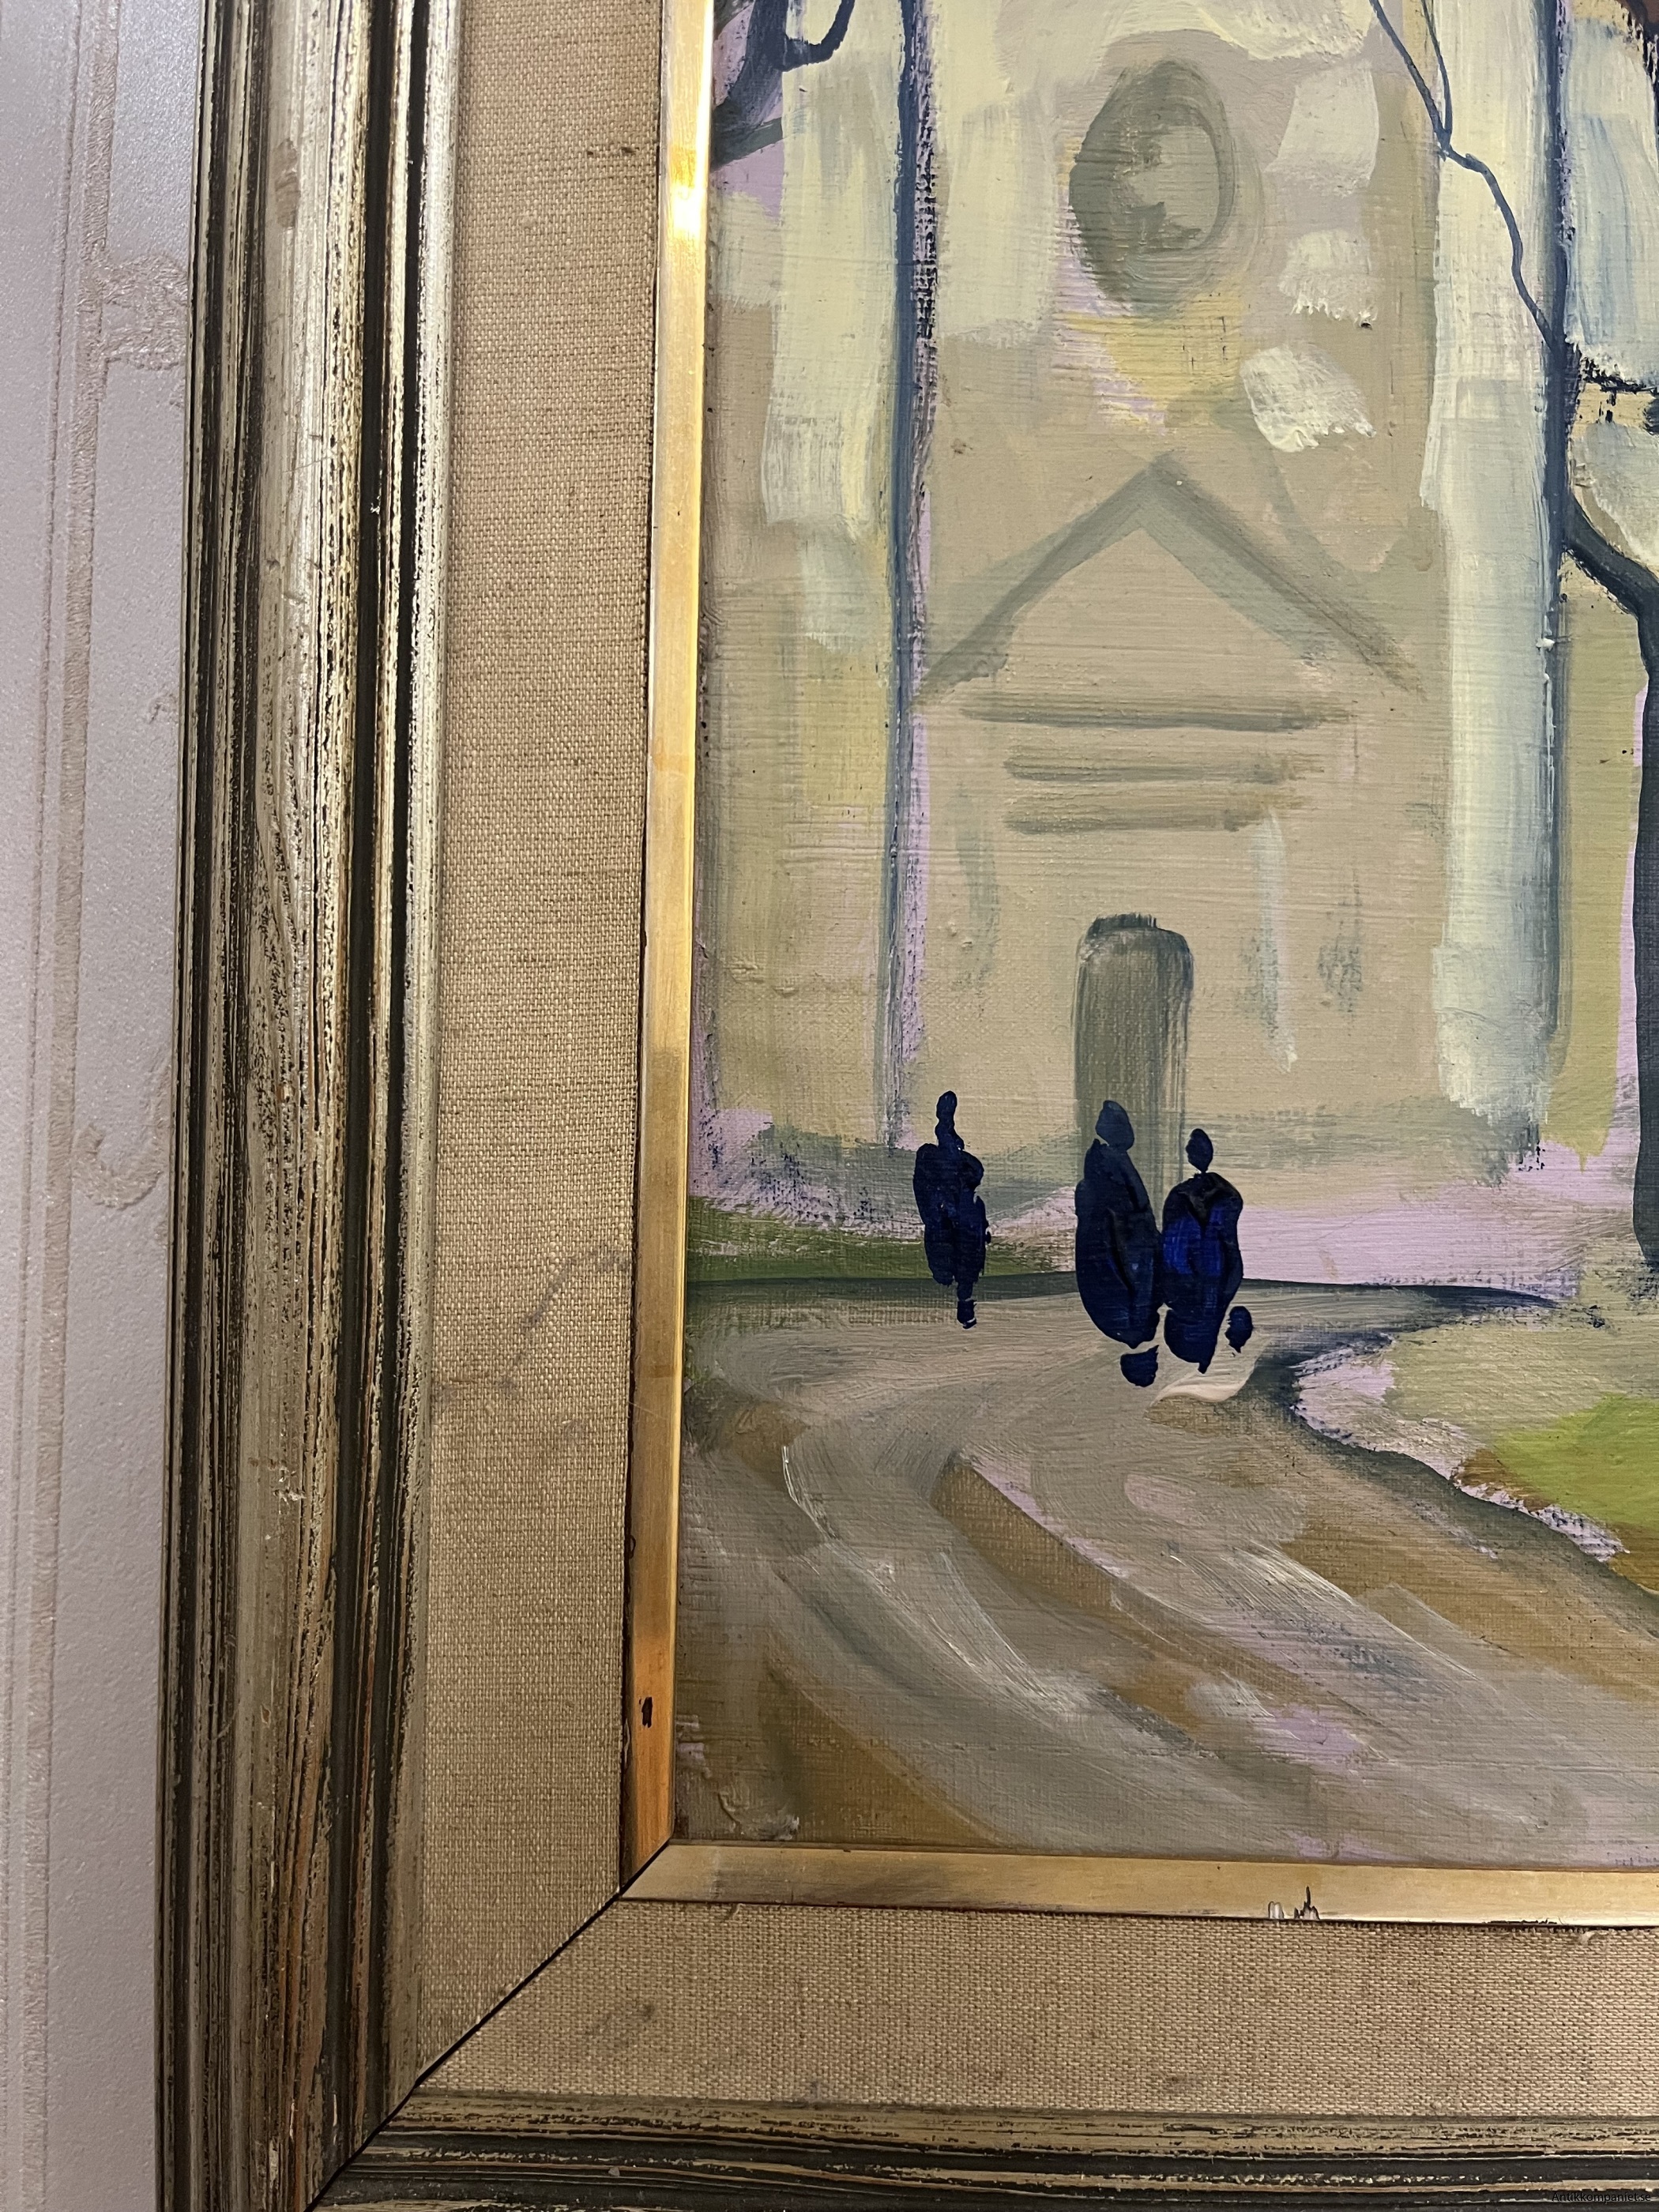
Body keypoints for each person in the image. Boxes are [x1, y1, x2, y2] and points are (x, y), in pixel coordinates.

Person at [1074, 1100, 1162, 1385]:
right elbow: (1123, 1224)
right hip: (1127, 1248)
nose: (1129, 1131)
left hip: (1129, 1249)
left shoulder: (1107, 1161)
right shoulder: (1108, 1163)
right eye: (1123, 1124)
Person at [1157, 1127, 1247, 1372]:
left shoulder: (1190, 1195)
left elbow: (1173, 1252)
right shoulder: (1211, 1194)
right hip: (1205, 1272)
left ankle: (1203, 1357)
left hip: (1202, 1271)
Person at [912, 1092, 990, 1327]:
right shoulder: (953, 1273)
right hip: (953, 1213)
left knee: (955, 1267)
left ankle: (946, 1127)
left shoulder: (949, 1272)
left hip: (949, 1213)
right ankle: (946, 1127)